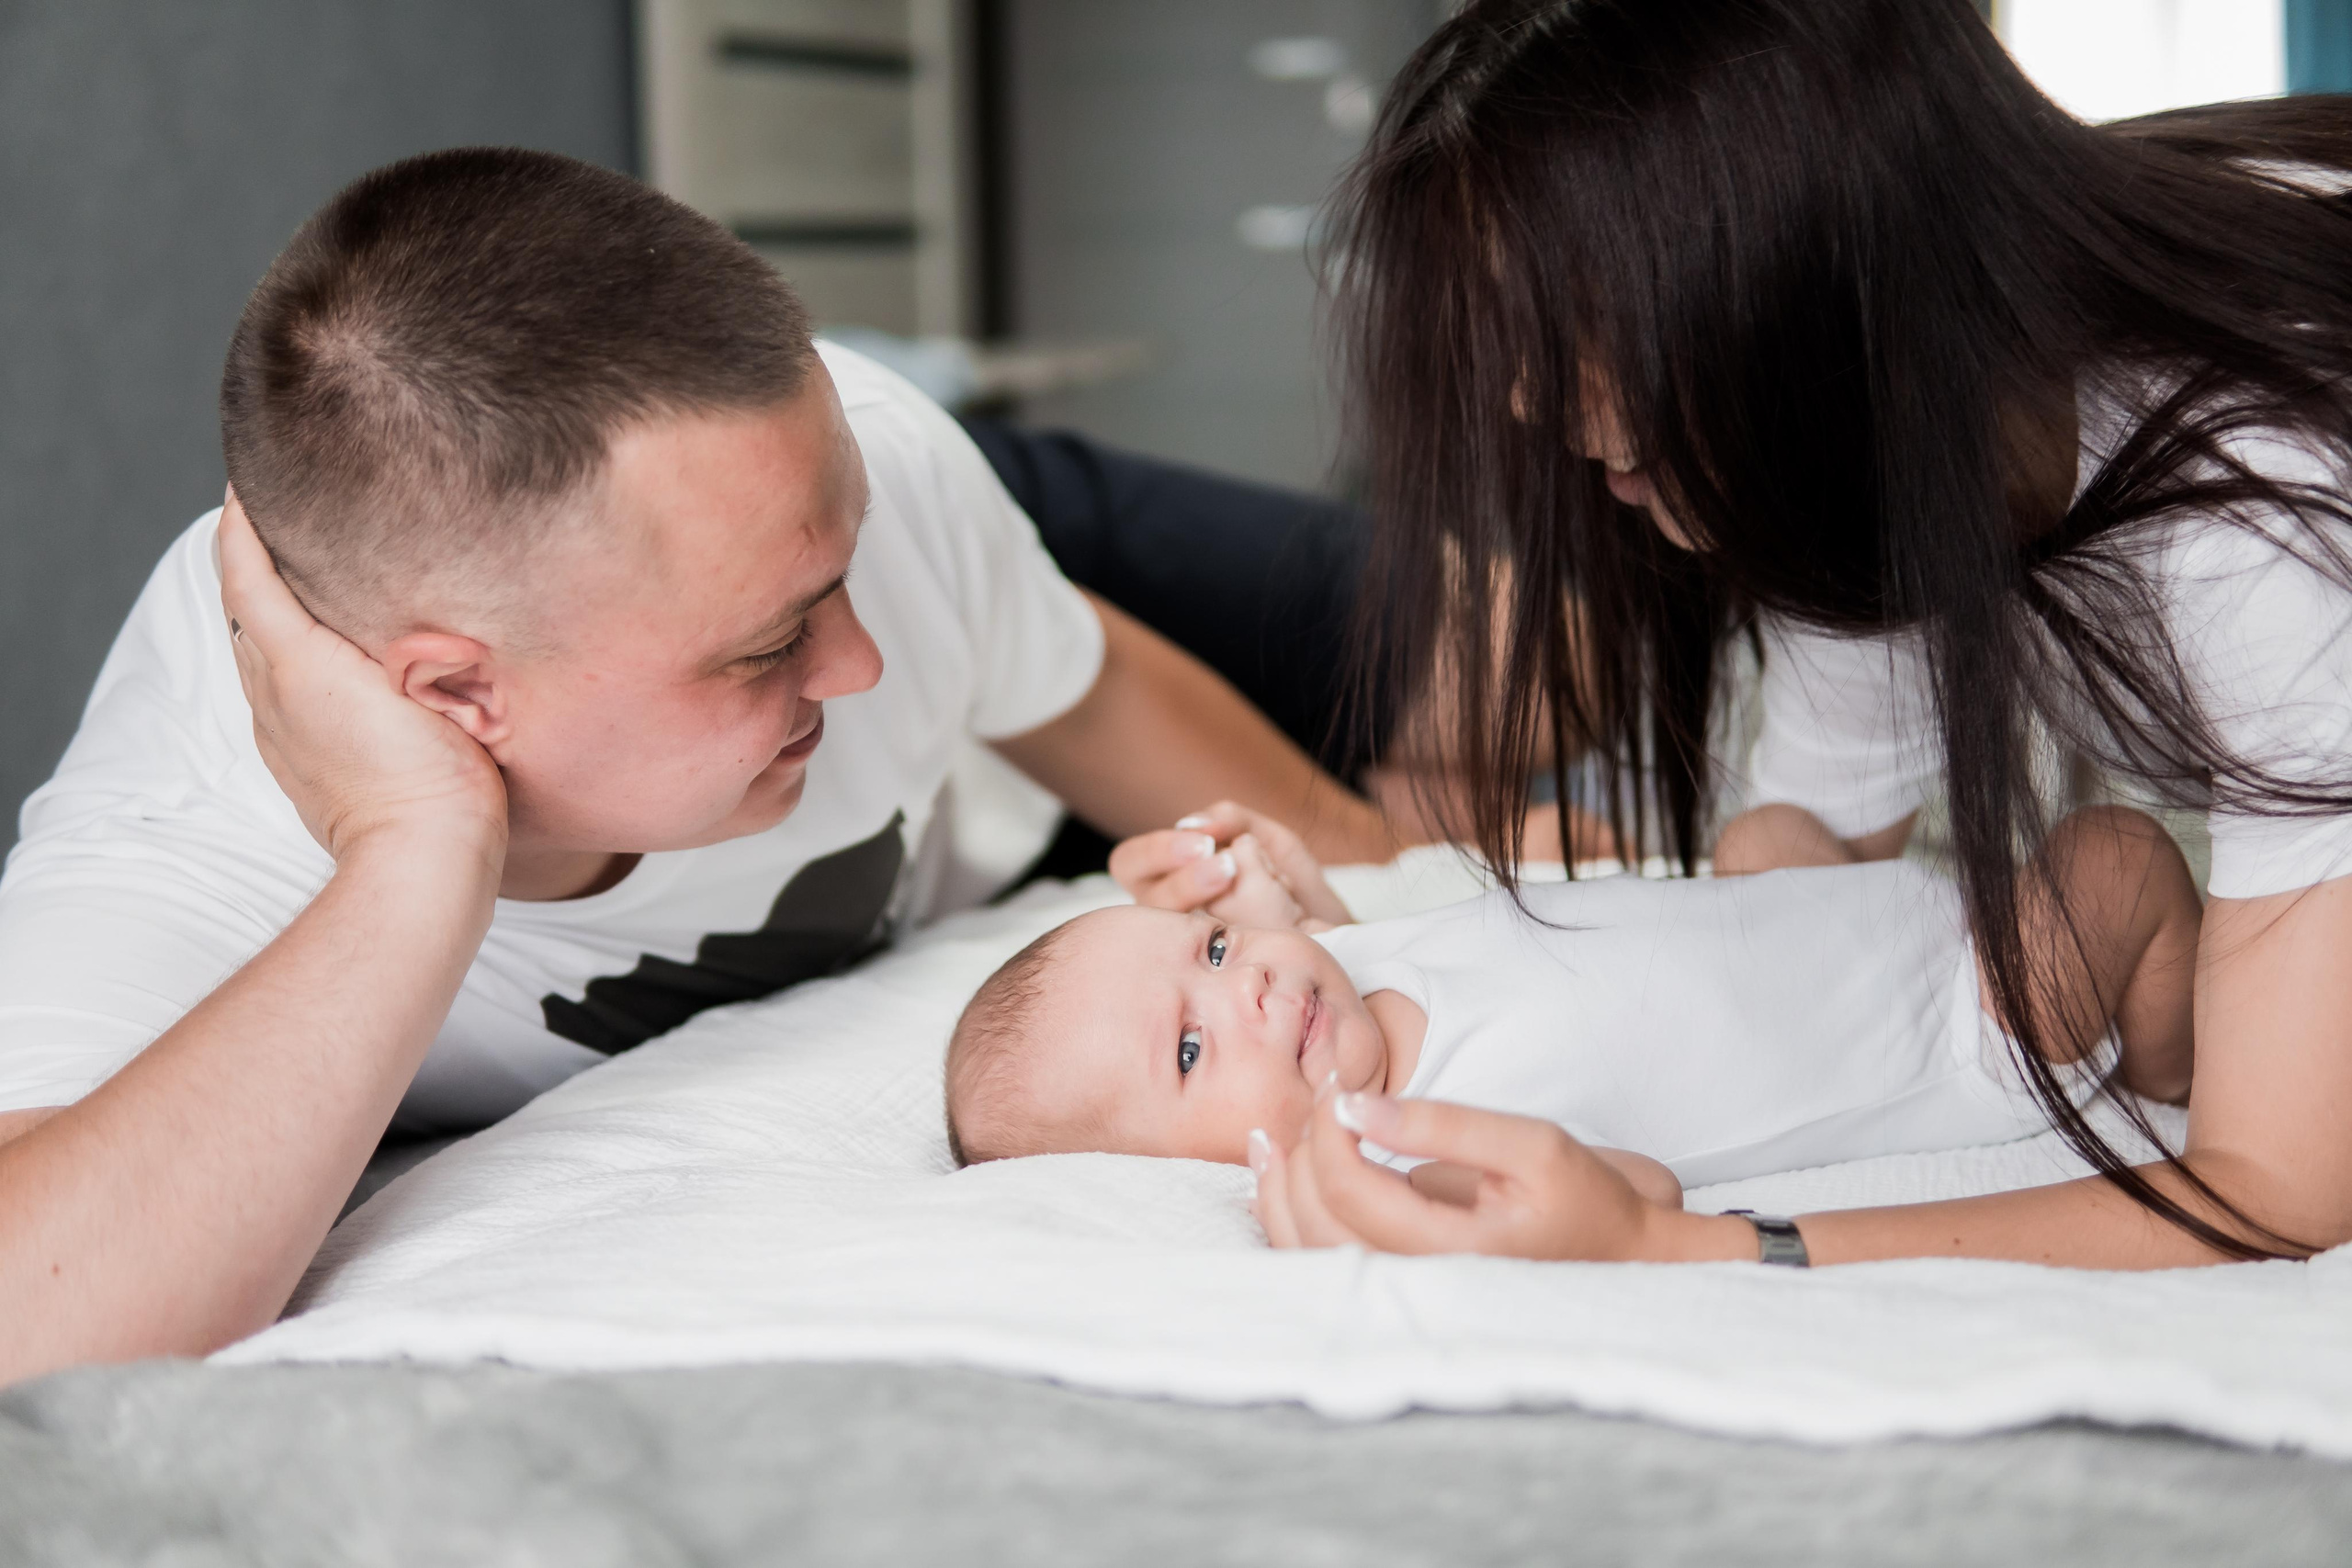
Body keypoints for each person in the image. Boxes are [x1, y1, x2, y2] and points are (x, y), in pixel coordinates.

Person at [0, 148, 1409, 1383]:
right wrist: (415, 848)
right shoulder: (183, 831)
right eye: (770, 648)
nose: (859, 668)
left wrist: (1379, 868)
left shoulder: (869, 485)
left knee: (1530, 666)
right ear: (454, 694)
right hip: (965, 777)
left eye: (840, 595)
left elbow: (1082, 691)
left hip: (994, 530)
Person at [1261, 0, 2352, 1268]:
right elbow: (1802, 907)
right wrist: (1366, 955)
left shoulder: (2265, 503)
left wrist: (1693, 1246)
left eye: (1562, 329)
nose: (1524, 399)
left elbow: (2278, 1190)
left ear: (1787, 273)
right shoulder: (1874, 441)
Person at [944, 803, 2196, 1224]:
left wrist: (1238, 888)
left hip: (1849, 921)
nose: (1247, 987)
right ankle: (2176, 1069)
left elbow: (1287, 928)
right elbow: (1633, 1195)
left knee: (1765, 834)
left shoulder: (1328, 970)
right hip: (1959, 1029)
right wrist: (1394, 1204)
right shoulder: (1410, 1142)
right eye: (1188, 1046)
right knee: (2119, 857)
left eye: (1211, 954)